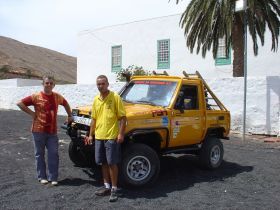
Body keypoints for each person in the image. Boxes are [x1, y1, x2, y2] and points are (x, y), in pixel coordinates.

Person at [17, 74, 72, 186]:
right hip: (38, 130)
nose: (49, 85)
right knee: (39, 154)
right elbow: (20, 103)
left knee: (53, 153)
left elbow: (66, 103)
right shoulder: (36, 96)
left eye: (51, 83)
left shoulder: (57, 97)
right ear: (43, 84)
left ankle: (53, 177)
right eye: (47, 83)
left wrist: (70, 115)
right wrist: (32, 113)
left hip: (52, 131)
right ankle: (42, 176)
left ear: (54, 85)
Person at [88, 75, 126, 202]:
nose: (100, 86)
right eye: (98, 84)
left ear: (107, 84)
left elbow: (123, 118)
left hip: (111, 137)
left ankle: (114, 189)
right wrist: (90, 135)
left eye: (103, 84)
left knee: (112, 163)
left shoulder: (115, 97)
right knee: (103, 162)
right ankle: (106, 187)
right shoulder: (96, 100)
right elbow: (93, 119)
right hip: (99, 136)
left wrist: (121, 134)